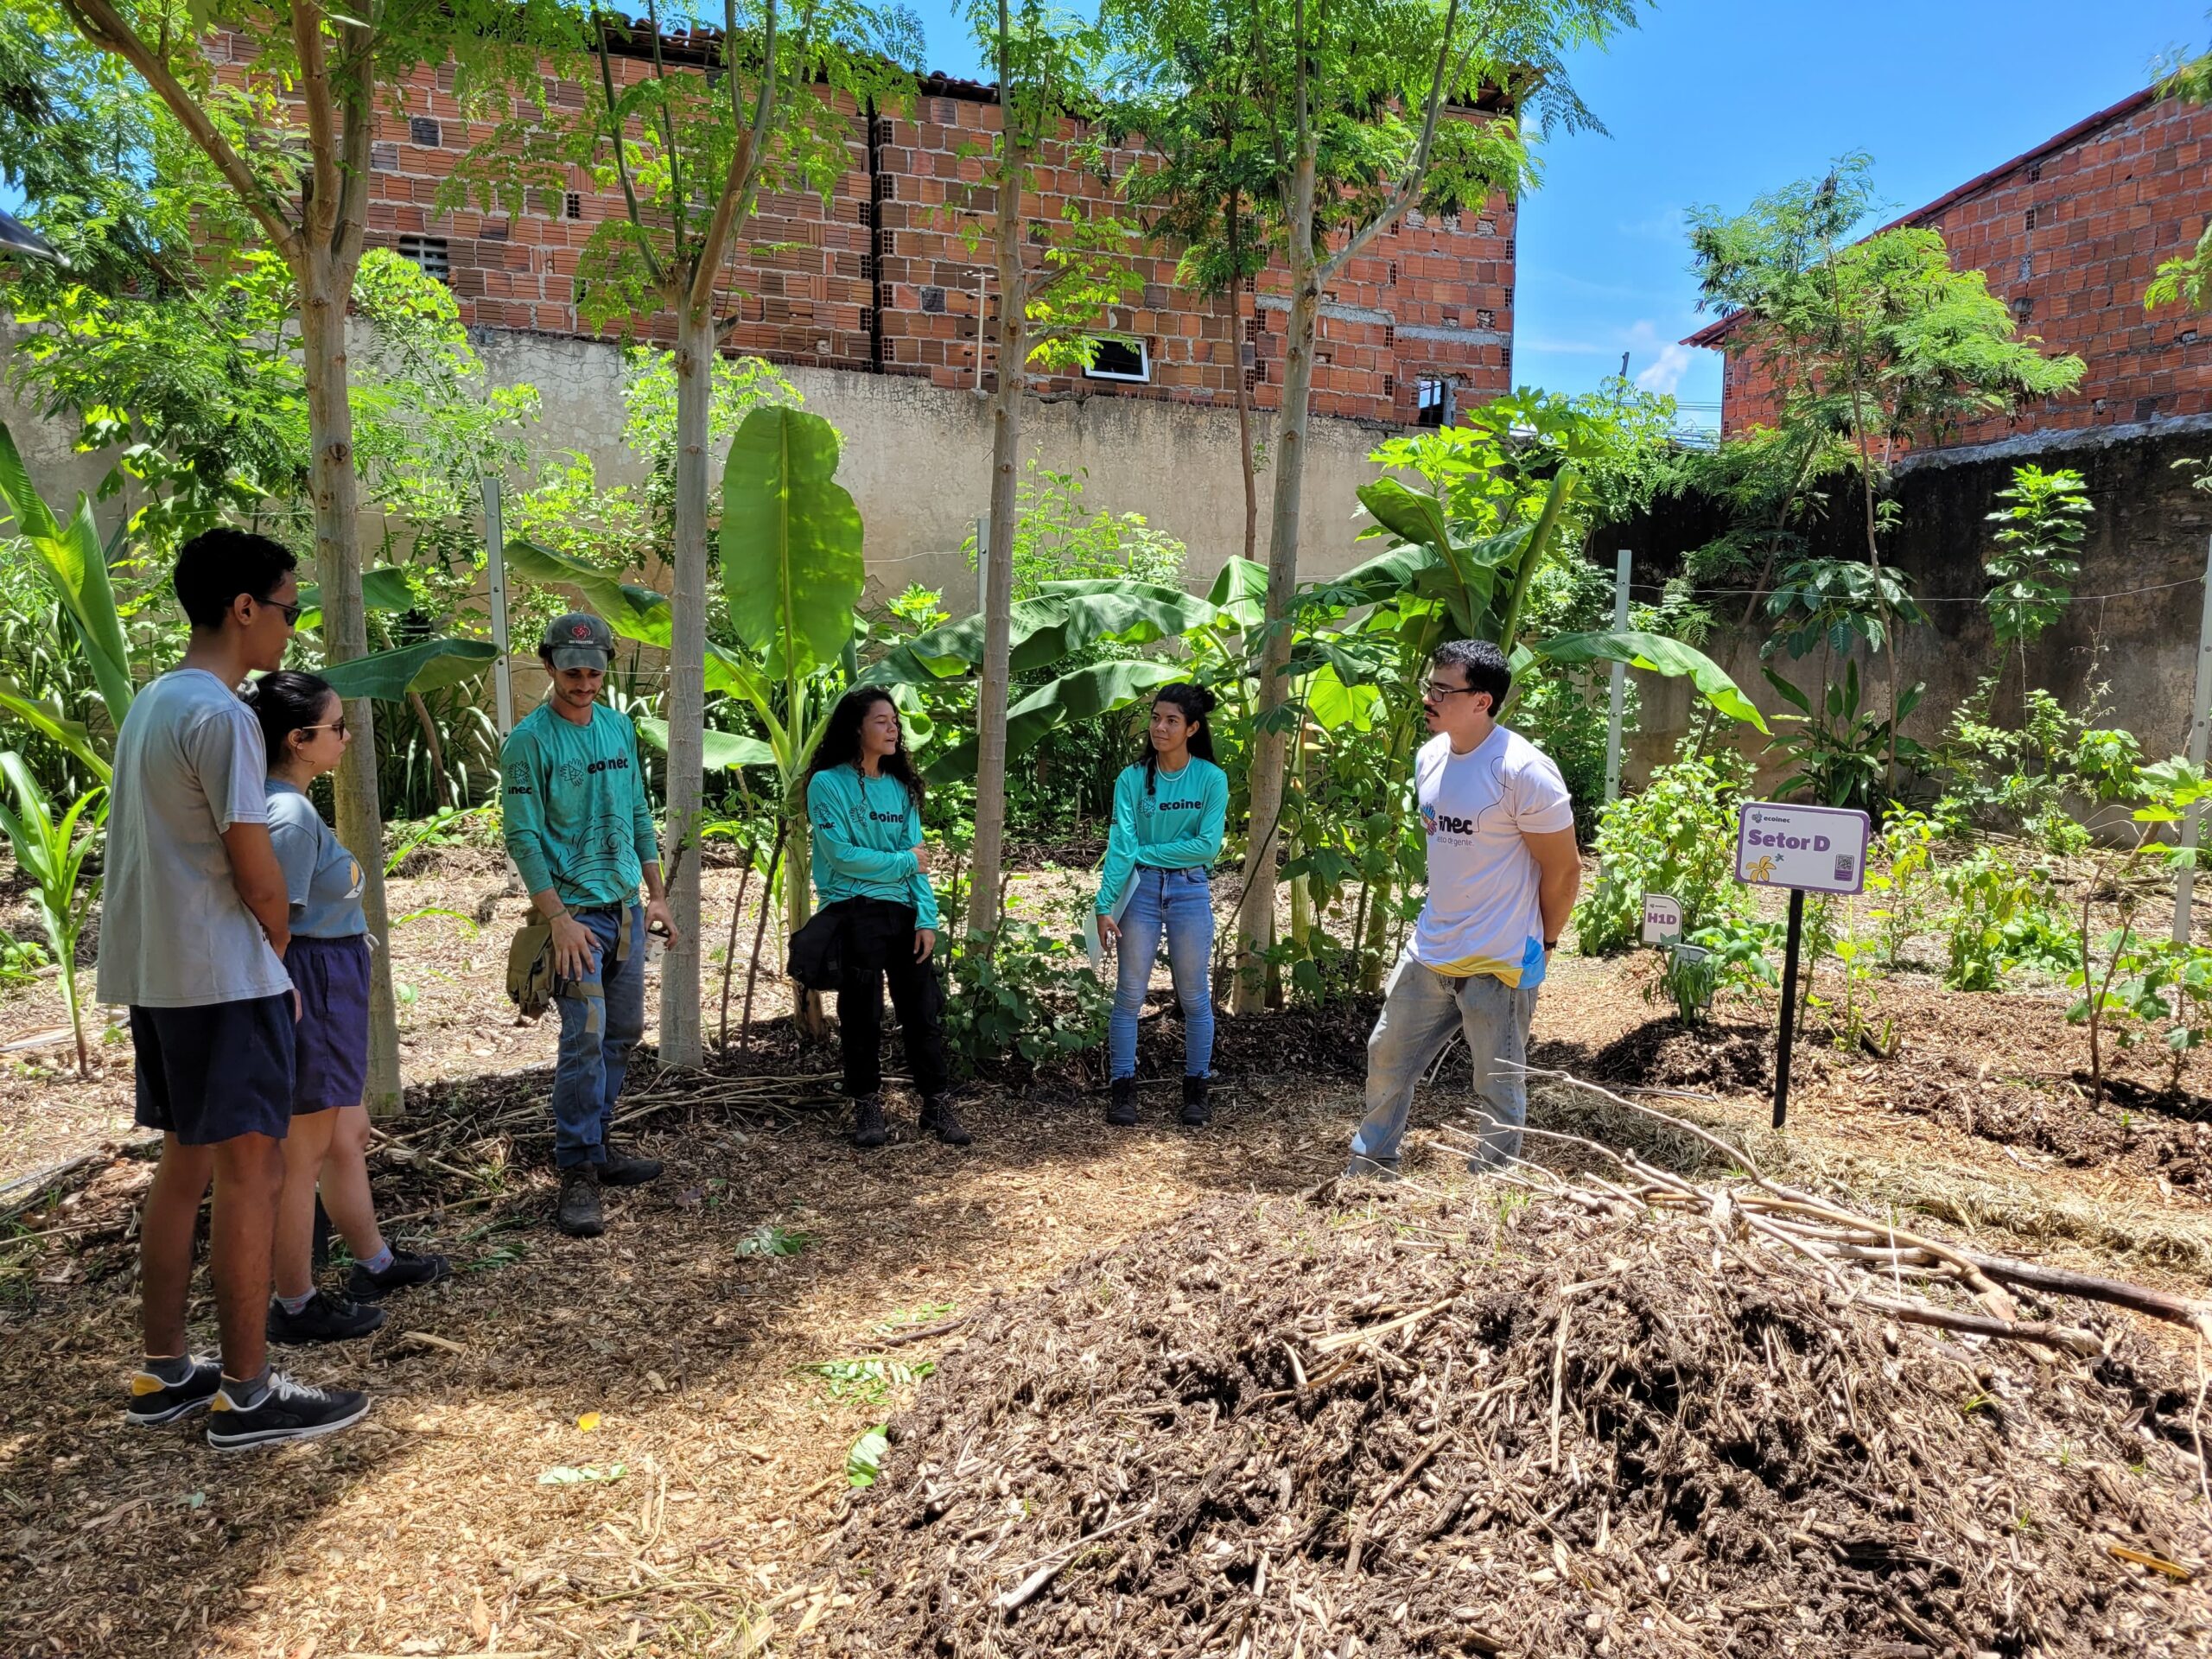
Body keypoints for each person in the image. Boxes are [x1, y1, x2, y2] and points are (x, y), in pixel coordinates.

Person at [101, 527, 369, 1448]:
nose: (290, 628)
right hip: (222, 978)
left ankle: (166, 1368)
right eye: (288, 607)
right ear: (244, 608)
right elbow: (257, 871)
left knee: (186, 1167)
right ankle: (249, 1392)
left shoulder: (153, 703)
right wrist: (276, 953)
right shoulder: (219, 717)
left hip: (162, 974)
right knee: (250, 1175)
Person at [244, 671, 450, 1344]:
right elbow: (267, 921)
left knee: (344, 1135)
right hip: (313, 987)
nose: (346, 737)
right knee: (300, 1156)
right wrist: (284, 993)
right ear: (300, 740)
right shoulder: (289, 816)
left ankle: (374, 1262)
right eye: (336, 728)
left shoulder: (288, 805)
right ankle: (296, 1303)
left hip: (330, 982)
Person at [1345, 639, 1582, 1180]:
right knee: (1386, 1055)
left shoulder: (1523, 772)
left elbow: (1564, 869)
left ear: (1483, 701)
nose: (1429, 698)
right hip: (1432, 948)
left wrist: (1543, 942)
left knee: (1497, 1083)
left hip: (1500, 957)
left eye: (1443, 690)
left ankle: (1490, 1189)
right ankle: (1371, 1167)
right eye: (1430, 686)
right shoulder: (1430, 756)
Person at [500, 613, 677, 1237]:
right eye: (571, 672)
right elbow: (522, 837)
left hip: (624, 906)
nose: (583, 684)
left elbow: (636, 811)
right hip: (572, 918)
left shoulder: (618, 728)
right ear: (548, 667)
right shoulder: (529, 741)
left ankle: (597, 1144)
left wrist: (656, 897)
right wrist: (559, 920)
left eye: (594, 673)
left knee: (623, 1030)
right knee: (584, 1033)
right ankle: (575, 1167)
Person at [802, 686, 967, 1149]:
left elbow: (919, 856)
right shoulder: (826, 784)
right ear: (857, 728)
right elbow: (841, 856)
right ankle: (867, 1107)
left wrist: (927, 918)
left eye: (894, 721)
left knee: (923, 1011)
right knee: (861, 1014)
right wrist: (903, 862)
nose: (893, 728)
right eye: (882, 721)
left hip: (904, 913)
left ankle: (935, 1104)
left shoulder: (901, 787)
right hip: (853, 911)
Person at [1096, 683, 1228, 1128]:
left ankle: (1196, 1089)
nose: (1160, 727)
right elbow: (1121, 845)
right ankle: (1122, 1089)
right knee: (1129, 995)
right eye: (1155, 718)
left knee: (1194, 996)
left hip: (1190, 891)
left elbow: (1206, 847)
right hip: (1141, 894)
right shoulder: (1132, 778)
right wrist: (1104, 902)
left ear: (1191, 727)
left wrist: (1146, 853)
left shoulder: (1211, 779)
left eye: (1171, 720)